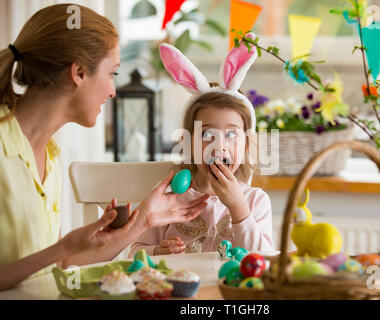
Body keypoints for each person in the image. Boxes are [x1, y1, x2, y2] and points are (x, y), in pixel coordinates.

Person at [0, 4, 209, 291]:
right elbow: (56, 257)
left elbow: (57, 266)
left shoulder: (50, 153)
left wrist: (142, 221)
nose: (113, 91)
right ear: (79, 72)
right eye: (112, 73)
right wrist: (60, 249)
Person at [130, 37, 273, 256]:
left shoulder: (255, 201)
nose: (219, 146)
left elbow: (265, 261)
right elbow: (135, 253)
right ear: (188, 142)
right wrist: (157, 251)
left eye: (231, 134)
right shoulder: (167, 198)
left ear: (246, 145)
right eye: (207, 133)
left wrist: (239, 209)